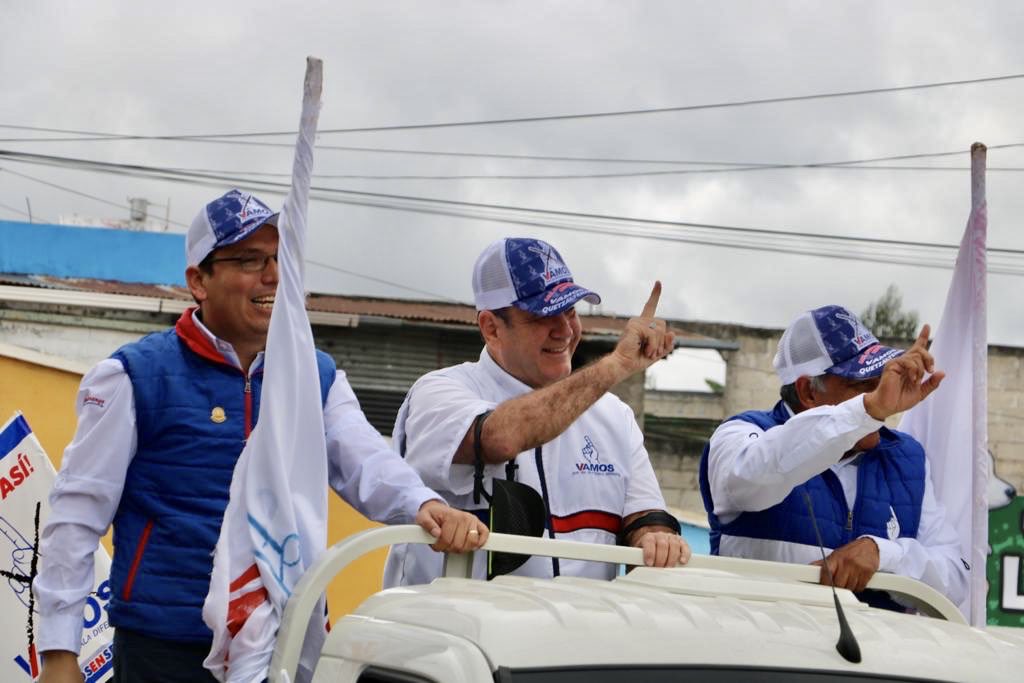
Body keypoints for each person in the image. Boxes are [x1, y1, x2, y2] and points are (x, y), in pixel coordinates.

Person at [33, 190, 488, 683]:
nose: (272, 275)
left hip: (280, 643)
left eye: (279, 258)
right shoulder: (134, 376)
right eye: (249, 260)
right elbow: (76, 516)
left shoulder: (315, 376)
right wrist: (59, 651)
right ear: (198, 281)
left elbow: (366, 461)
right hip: (163, 649)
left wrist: (424, 503)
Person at [384, 237, 690, 587]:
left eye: (570, 311)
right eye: (543, 315)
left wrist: (655, 539)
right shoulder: (438, 392)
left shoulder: (614, 415)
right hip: (451, 622)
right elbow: (500, 437)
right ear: (491, 328)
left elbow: (644, 517)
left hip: (581, 622)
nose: (564, 330)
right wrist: (616, 365)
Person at [698, 304, 968, 607]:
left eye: (881, 379)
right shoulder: (740, 434)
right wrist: (866, 411)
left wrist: (882, 554)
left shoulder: (907, 458)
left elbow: (957, 581)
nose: (884, 393)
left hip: (877, 640)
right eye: (864, 385)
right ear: (808, 391)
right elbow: (752, 478)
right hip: (759, 638)